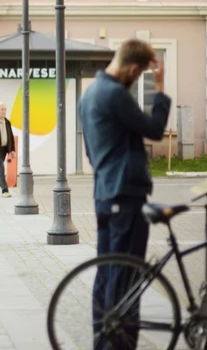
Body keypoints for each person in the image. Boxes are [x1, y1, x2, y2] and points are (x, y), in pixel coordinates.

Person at [78, 39, 170, 349]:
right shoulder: (115, 94)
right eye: (140, 73)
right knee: (126, 277)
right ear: (132, 69)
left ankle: (102, 343)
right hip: (126, 196)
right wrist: (160, 88)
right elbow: (154, 129)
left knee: (107, 273)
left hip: (105, 194)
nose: (138, 77)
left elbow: (90, 152)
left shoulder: (89, 93)